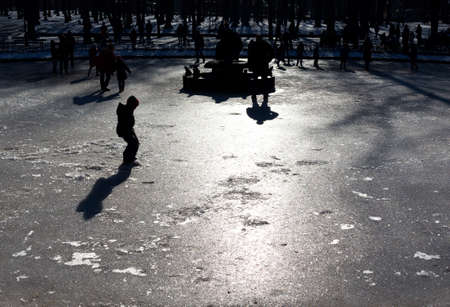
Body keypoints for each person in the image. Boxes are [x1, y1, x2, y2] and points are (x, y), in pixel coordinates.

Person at [116, 96, 140, 165]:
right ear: (131, 104)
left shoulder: (128, 109)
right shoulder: (125, 111)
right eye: (135, 106)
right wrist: (129, 131)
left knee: (135, 143)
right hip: (124, 130)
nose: (135, 108)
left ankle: (131, 158)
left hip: (129, 129)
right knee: (133, 144)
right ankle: (127, 160)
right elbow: (124, 123)